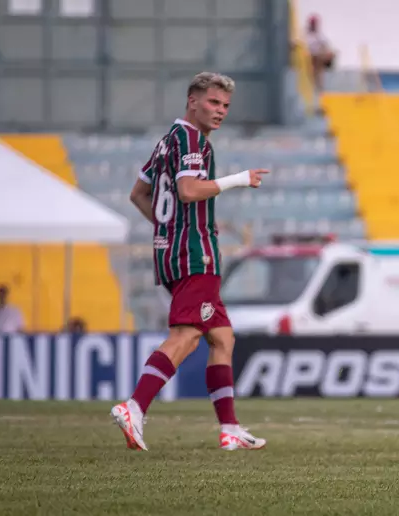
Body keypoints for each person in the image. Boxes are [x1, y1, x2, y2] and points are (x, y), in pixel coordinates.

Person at [111, 72, 270, 452]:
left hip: (171, 250)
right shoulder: (193, 140)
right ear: (192, 101)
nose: (220, 111)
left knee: (222, 337)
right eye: (213, 103)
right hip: (195, 255)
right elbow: (186, 190)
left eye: (226, 106)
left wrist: (169, 229)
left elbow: (138, 193)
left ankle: (230, 428)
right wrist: (240, 179)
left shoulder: (168, 140)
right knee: (187, 335)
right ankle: (134, 406)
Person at [305, 14, 335, 92]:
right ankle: (316, 84)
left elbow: (325, 44)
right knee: (316, 62)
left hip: (318, 57)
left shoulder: (319, 35)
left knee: (329, 54)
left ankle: (320, 84)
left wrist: (328, 52)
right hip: (310, 57)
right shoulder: (306, 35)